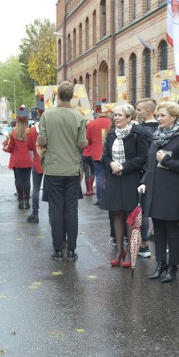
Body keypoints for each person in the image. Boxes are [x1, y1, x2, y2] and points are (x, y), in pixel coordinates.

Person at [138, 101, 179, 282]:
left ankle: (173, 267)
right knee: (158, 229)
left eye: (162, 115)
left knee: (171, 229)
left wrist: (167, 161)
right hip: (154, 190)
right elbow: (149, 164)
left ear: (174, 117)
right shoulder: (156, 137)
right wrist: (144, 181)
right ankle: (160, 264)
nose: (158, 118)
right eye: (158, 115)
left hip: (171, 192)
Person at [38, 81, 88, 261]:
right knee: (71, 210)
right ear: (72, 96)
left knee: (56, 209)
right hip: (72, 169)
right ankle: (72, 250)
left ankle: (58, 250)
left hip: (53, 169)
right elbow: (83, 143)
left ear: (57, 96)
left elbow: (42, 141)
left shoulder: (47, 115)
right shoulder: (79, 117)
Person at [101, 103, 150, 268]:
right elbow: (105, 156)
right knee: (116, 214)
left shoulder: (138, 134)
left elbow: (143, 157)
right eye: (115, 115)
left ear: (129, 118)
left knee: (130, 215)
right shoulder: (110, 134)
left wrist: (124, 166)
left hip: (130, 178)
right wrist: (111, 163)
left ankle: (130, 252)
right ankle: (119, 250)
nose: (116, 118)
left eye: (120, 115)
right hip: (114, 178)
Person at [135, 97, 159, 258]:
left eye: (139, 110)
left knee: (142, 210)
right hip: (161, 174)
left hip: (142, 174)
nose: (136, 113)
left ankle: (143, 245)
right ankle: (161, 244)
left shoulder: (138, 130)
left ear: (148, 112)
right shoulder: (163, 128)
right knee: (158, 209)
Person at [5, 105, 34, 210]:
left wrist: (7, 149)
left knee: (18, 180)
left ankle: (21, 201)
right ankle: (27, 201)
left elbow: (10, 147)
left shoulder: (13, 132)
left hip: (17, 160)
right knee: (27, 180)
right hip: (27, 160)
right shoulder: (31, 131)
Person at [88, 99, 111, 206]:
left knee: (99, 176)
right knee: (109, 176)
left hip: (96, 153)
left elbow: (87, 139)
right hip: (110, 153)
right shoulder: (111, 122)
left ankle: (101, 199)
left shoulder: (92, 123)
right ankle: (109, 198)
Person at [27, 100, 46, 223]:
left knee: (36, 188)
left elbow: (29, 146)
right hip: (50, 163)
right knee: (52, 191)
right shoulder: (52, 127)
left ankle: (35, 214)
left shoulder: (32, 130)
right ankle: (52, 214)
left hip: (37, 163)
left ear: (38, 113)